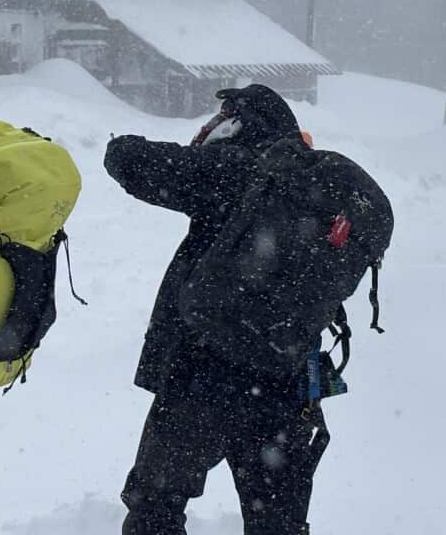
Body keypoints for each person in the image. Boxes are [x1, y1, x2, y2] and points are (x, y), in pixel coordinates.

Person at [105, 84, 350, 535]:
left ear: (238, 123)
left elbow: (133, 163)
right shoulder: (319, 183)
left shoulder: (238, 167)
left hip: (207, 374)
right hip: (288, 376)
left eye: (218, 118)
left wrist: (120, 144)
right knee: (278, 520)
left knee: (156, 507)